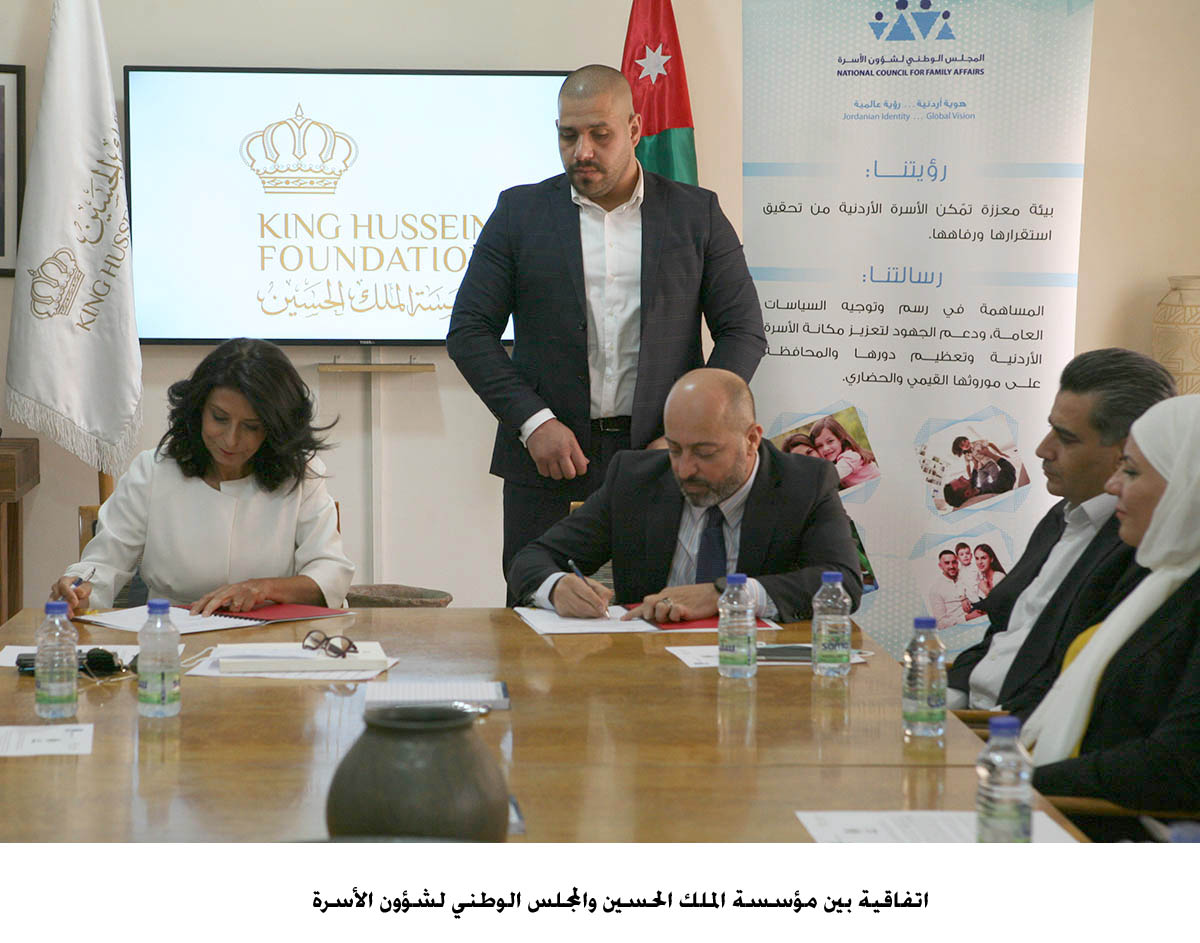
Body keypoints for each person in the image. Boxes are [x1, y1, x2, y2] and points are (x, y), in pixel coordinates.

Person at [447, 65, 765, 598]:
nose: (583, 151)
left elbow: (744, 331)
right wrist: (533, 422)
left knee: (658, 611)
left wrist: (686, 432)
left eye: (600, 134)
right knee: (539, 616)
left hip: (664, 459)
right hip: (549, 463)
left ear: (634, 129)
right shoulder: (519, 213)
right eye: (568, 136)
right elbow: (469, 331)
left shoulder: (696, 214)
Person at [507, 368, 861, 623]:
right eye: (675, 449)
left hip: (756, 671)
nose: (685, 468)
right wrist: (557, 586)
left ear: (751, 439)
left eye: (705, 452)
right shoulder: (635, 479)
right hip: (651, 672)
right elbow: (532, 559)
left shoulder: (805, 482)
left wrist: (725, 594)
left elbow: (843, 582)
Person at [51, 338, 354, 616]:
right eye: (219, 418)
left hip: (272, 637)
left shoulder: (301, 473)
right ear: (198, 410)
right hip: (171, 634)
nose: (231, 440)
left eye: (251, 426)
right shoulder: (153, 470)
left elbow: (330, 573)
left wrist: (264, 588)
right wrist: (77, 589)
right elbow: (102, 564)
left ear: (276, 427)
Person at [947, 348, 1176, 713]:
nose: (1043, 449)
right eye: (1051, 427)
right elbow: (1004, 634)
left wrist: (981, 728)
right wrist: (948, 697)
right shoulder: (1061, 516)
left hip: (1013, 730)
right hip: (970, 715)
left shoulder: (1143, 547)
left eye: (1066, 438)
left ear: (1127, 451)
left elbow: (1078, 688)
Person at [1021, 394, 1200, 814]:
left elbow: (1176, 766)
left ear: (1188, 486)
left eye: (1131, 471)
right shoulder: (1160, 577)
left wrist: (1020, 781)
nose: (1112, 485)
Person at [809, 415, 880, 488]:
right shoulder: (837, 460)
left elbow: (832, 476)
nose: (826, 448)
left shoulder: (850, 457)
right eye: (819, 446)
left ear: (840, 439)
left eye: (830, 441)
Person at [927, 549, 982, 630]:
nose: (951, 566)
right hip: (962, 628)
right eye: (947, 563)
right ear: (940, 566)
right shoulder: (936, 589)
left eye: (954, 562)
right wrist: (968, 617)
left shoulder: (965, 573)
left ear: (958, 562)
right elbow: (940, 624)